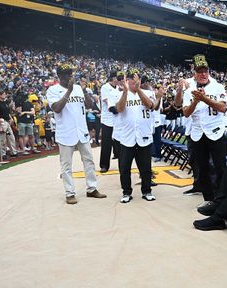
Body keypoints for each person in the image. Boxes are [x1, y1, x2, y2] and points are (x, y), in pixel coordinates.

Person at [46, 63, 106, 204]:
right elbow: (57, 108)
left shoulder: (78, 88)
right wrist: (69, 91)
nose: (70, 76)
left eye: (71, 73)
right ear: (60, 76)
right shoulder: (53, 90)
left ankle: (92, 189)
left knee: (89, 161)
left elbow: (90, 105)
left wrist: (84, 90)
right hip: (65, 132)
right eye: (67, 74)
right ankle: (69, 193)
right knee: (66, 165)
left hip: (82, 131)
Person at [180, 54, 227, 203]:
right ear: (194, 73)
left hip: (216, 132)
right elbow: (186, 113)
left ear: (209, 72)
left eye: (205, 71)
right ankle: (208, 199)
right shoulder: (189, 91)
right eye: (200, 71)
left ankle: (222, 199)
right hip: (198, 133)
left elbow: (223, 108)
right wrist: (196, 101)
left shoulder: (217, 86)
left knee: (220, 167)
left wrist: (205, 99)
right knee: (202, 169)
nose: (203, 74)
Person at [113, 69, 160, 203]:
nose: (133, 83)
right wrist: (126, 92)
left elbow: (150, 105)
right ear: (126, 81)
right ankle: (126, 192)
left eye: (136, 81)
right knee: (125, 168)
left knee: (145, 168)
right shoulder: (120, 94)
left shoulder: (149, 93)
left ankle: (147, 191)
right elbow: (120, 109)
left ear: (139, 80)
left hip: (144, 136)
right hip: (126, 137)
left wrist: (139, 90)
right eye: (131, 81)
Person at [0, 89, 18, 159]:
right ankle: (3, 154)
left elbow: (7, 112)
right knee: (2, 139)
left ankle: (13, 152)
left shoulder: (5, 102)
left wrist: (10, 118)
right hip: (1, 121)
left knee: (11, 137)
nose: (5, 95)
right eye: (4, 94)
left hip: (7, 121)